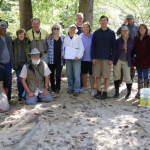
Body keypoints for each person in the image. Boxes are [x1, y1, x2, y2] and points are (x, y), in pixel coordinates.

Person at [91, 15, 116, 100]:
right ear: (99, 22)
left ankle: (105, 92)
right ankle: (99, 91)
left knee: (106, 76)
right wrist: (93, 58)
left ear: (107, 21)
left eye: (104, 20)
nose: (103, 22)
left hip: (107, 59)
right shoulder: (96, 33)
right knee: (97, 75)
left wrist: (112, 59)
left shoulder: (112, 33)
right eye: (101, 20)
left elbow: (114, 47)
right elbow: (93, 46)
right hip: (97, 58)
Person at [117, 14, 138, 85]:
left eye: (130, 19)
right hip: (124, 49)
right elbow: (118, 33)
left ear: (133, 19)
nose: (129, 20)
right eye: (128, 19)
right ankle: (120, 81)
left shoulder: (137, 27)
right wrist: (123, 24)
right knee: (122, 67)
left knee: (132, 66)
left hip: (133, 49)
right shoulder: (124, 27)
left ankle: (130, 81)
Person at [63, 25, 84, 96]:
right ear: (69, 30)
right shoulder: (66, 38)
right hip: (68, 59)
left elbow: (82, 49)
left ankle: (76, 89)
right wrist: (63, 54)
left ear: (76, 31)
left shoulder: (78, 38)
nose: (72, 30)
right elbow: (63, 48)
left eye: (73, 29)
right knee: (69, 74)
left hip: (76, 59)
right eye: (71, 29)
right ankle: (70, 88)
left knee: (77, 74)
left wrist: (78, 56)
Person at [113, 26, 134, 99]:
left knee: (128, 77)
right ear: (121, 32)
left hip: (127, 61)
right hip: (118, 60)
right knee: (116, 76)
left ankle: (128, 93)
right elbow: (114, 50)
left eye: (126, 31)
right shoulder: (118, 40)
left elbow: (134, 51)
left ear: (128, 31)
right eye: (123, 31)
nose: (125, 32)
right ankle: (116, 92)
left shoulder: (132, 40)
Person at [47, 23, 65, 94]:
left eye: (58, 28)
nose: (56, 30)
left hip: (59, 59)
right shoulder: (49, 37)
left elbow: (65, 47)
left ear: (59, 29)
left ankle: (58, 88)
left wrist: (64, 53)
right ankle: (52, 88)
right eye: (55, 28)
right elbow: (47, 47)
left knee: (58, 75)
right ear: (52, 29)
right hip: (51, 58)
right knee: (51, 75)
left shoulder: (63, 37)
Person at [13, 29, 31, 101]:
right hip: (18, 64)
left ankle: (27, 94)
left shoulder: (28, 41)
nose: (21, 35)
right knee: (20, 80)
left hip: (27, 64)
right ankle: (20, 95)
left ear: (24, 35)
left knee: (27, 80)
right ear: (17, 35)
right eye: (20, 34)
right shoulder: (14, 42)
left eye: (22, 34)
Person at [134, 24, 150, 98]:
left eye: (143, 28)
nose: (142, 29)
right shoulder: (136, 38)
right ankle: (140, 92)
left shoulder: (149, 38)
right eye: (141, 28)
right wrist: (134, 57)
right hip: (138, 61)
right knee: (139, 77)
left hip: (146, 61)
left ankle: (146, 93)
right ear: (139, 30)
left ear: (146, 30)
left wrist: (146, 58)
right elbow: (133, 49)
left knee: (146, 77)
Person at [79, 22, 95, 96]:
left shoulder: (93, 35)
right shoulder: (80, 36)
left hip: (91, 59)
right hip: (83, 59)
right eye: (84, 27)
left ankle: (92, 89)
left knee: (91, 74)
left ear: (89, 28)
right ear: (82, 28)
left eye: (87, 27)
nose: (85, 29)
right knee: (84, 74)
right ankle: (85, 87)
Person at [0, 21, 14, 102]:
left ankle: (8, 99)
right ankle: (1, 100)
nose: (2, 29)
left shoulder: (9, 38)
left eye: (4, 28)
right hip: (0, 64)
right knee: (0, 81)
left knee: (8, 81)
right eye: (1, 28)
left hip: (8, 63)